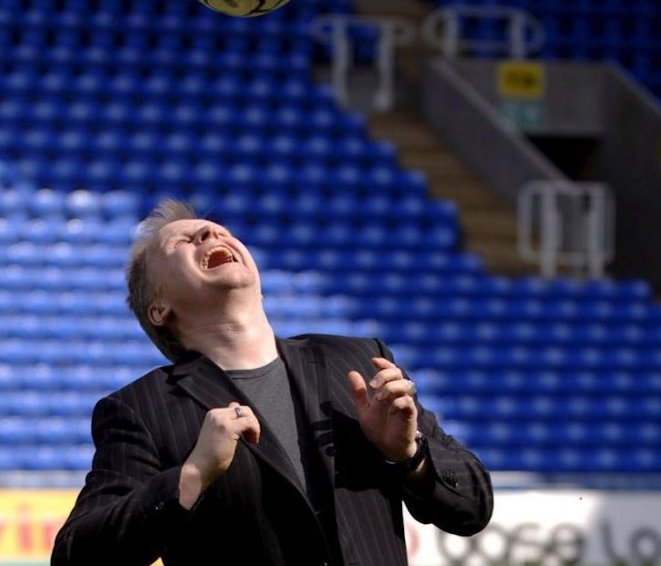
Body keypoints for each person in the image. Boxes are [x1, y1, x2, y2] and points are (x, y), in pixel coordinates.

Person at [52, 198, 493, 566]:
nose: (211, 235)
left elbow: (473, 506)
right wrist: (191, 476)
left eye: (219, 230)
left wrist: (408, 455)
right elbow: (77, 555)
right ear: (159, 308)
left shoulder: (357, 359)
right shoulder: (142, 410)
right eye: (185, 241)